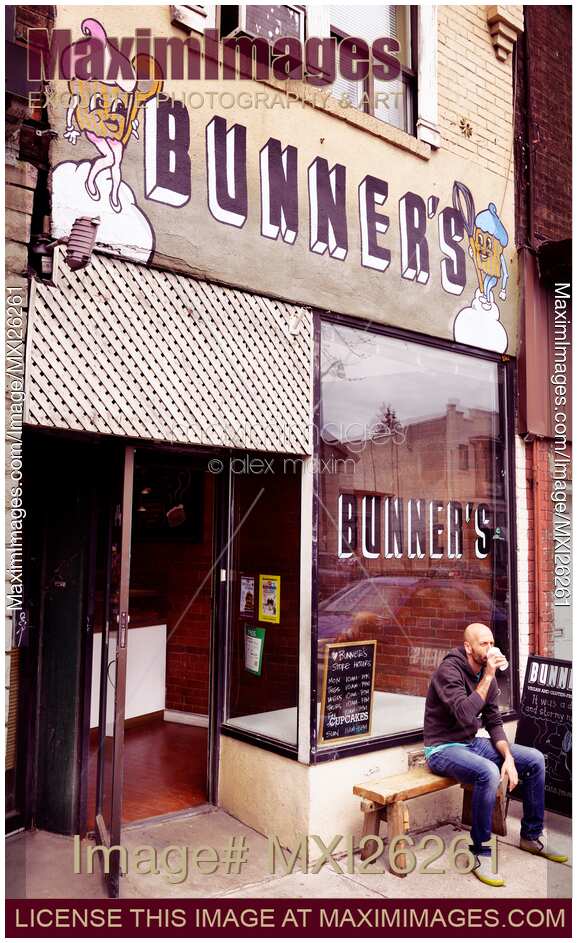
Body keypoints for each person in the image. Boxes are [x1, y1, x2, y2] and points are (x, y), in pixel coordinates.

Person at [423, 623, 568, 886]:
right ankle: (480, 852)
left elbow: (493, 722)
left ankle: (531, 837)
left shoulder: (484, 676)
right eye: (483, 644)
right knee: (487, 772)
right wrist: (489, 675)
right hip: (442, 748)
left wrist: (509, 758)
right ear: (468, 647)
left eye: (492, 643)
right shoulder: (449, 671)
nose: (490, 649)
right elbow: (465, 714)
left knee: (534, 759)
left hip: (470, 742)